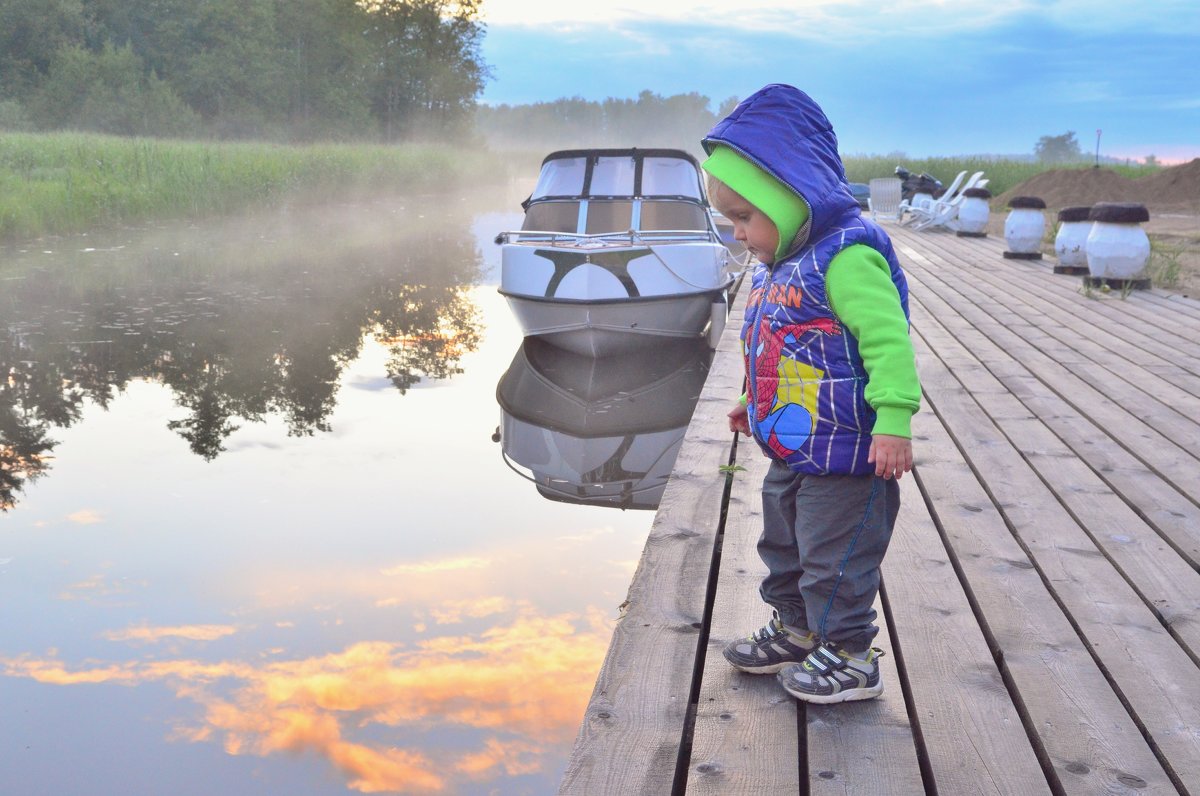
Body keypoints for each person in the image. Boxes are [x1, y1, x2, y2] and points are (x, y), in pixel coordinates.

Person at [700, 84, 920, 704]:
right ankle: (798, 629)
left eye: (745, 218)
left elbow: (887, 342)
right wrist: (757, 401)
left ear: (788, 197)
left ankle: (851, 657)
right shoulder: (783, 264)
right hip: (797, 444)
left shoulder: (845, 258)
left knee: (835, 558)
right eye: (731, 221)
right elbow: (784, 351)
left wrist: (895, 420)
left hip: (850, 453)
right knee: (783, 543)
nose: (739, 234)